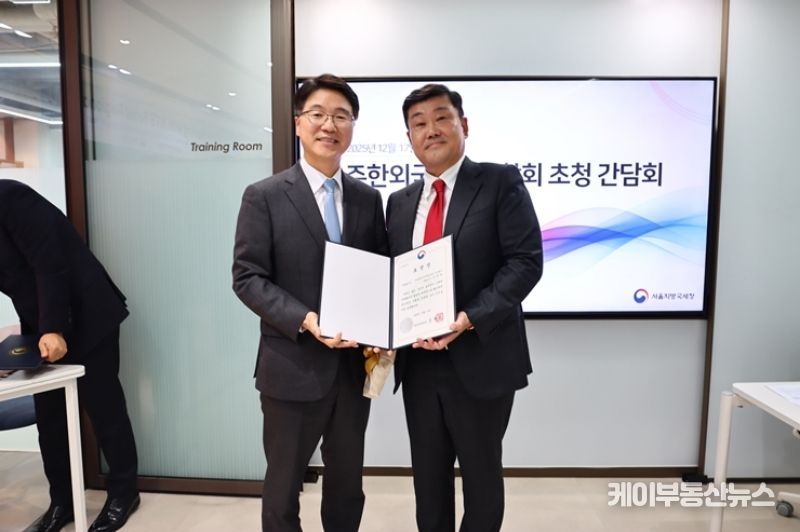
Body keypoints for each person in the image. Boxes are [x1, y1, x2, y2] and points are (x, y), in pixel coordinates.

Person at [232, 73, 388, 532]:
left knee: (347, 485)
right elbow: (247, 277)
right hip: (291, 367)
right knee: (283, 489)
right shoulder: (264, 196)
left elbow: (378, 272)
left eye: (341, 116)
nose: (329, 125)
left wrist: (383, 328)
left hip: (352, 370)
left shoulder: (367, 199)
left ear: (353, 126)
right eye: (317, 114)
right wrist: (305, 319)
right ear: (298, 123)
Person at [385, 84, 543, 532]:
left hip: (481, 358)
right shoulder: (399, 204)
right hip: (419, 365)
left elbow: (525, 262)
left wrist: (469, 318)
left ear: (464, 125)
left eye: (442, 117)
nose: (431, 130)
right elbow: (392, 279)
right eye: (419, 123)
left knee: (481, 481)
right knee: (428, 483)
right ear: (410, 138)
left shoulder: (498, 182)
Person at [0, 179, 139, 532]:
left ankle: (124, 493)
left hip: (87, 314)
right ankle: (62, 500)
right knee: (50, 419)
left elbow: (49, 264)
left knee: (104, 408)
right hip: (40, 325)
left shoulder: (10, 197)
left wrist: (53, 328)